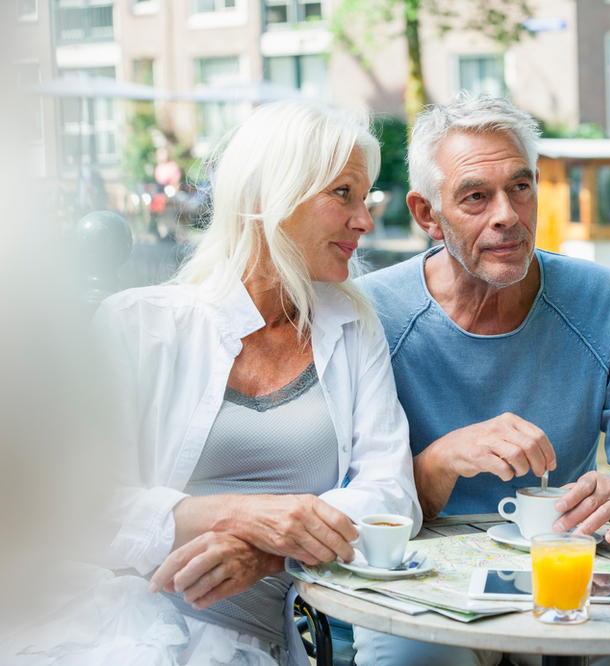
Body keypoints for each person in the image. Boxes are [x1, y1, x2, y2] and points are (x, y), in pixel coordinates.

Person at [83, 99, 421, 666]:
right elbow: (83, 507)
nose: (363, 220)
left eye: (365, 199)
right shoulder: (139, 324)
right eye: (343, 194)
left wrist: (267, 550)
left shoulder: (353, 326)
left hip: (282, 640)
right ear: (269, 198)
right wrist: (243, 516)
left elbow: (392, 494)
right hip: (141, 629)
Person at [359, 93, 610, 666]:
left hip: (563, 565)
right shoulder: (370, 315)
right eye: (475, 197)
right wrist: (442, 461)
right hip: (420, 571)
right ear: (426, 214)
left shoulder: (606, 301)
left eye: (520, 186)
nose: (507, 214)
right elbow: (346, 503)